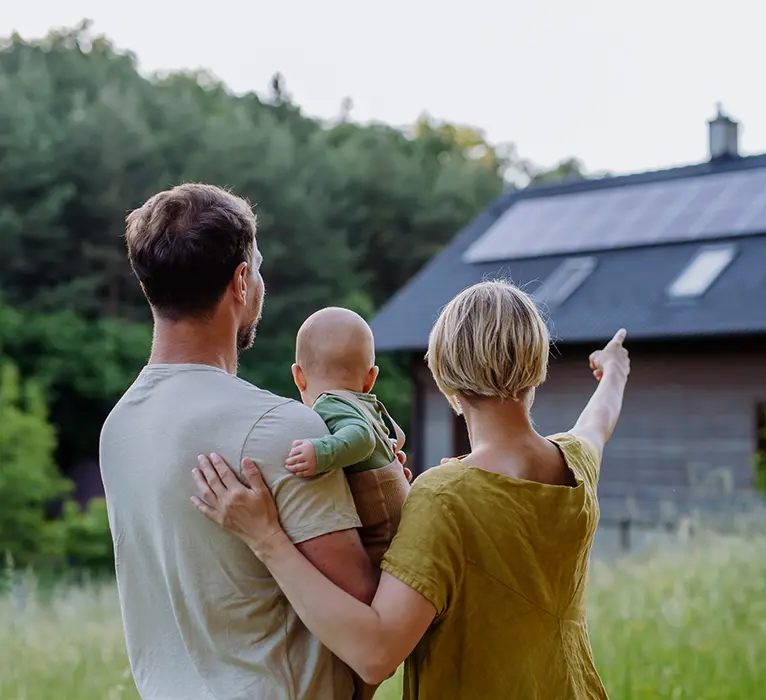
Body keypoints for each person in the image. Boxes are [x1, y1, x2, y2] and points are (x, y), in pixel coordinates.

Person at [191, 280, 630, 699]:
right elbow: (598, 421)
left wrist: (267, 539)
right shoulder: (575, 462)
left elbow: (375, 654)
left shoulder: (443, 497)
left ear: (445, 375)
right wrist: (614, 370)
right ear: (537, 364)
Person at [99, 183, 381, 700]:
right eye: (260, 267)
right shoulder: (281, 428)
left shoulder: (117, 429)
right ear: (241, 280)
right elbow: (368, 632)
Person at [285, 306, 411, 566]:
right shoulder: (364, 404)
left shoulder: (329, 403)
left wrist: (320, 453)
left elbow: (362, 438)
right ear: (370, 379)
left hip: (383, 537)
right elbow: (388, 438)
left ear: (298, 376)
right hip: (404, 523)